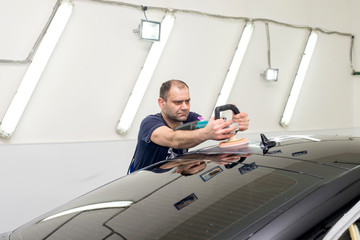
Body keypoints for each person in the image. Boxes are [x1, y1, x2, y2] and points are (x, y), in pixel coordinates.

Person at [129, 79, 249, 173]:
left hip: (171, 180)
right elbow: (173, 139)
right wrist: (207, 133)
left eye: (187, 101)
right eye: (178, 102)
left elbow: (213, 130)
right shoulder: (150, 123)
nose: (185, 107)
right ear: (162, 103)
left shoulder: (190, 118)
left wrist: (233, 125)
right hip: (143, 185)